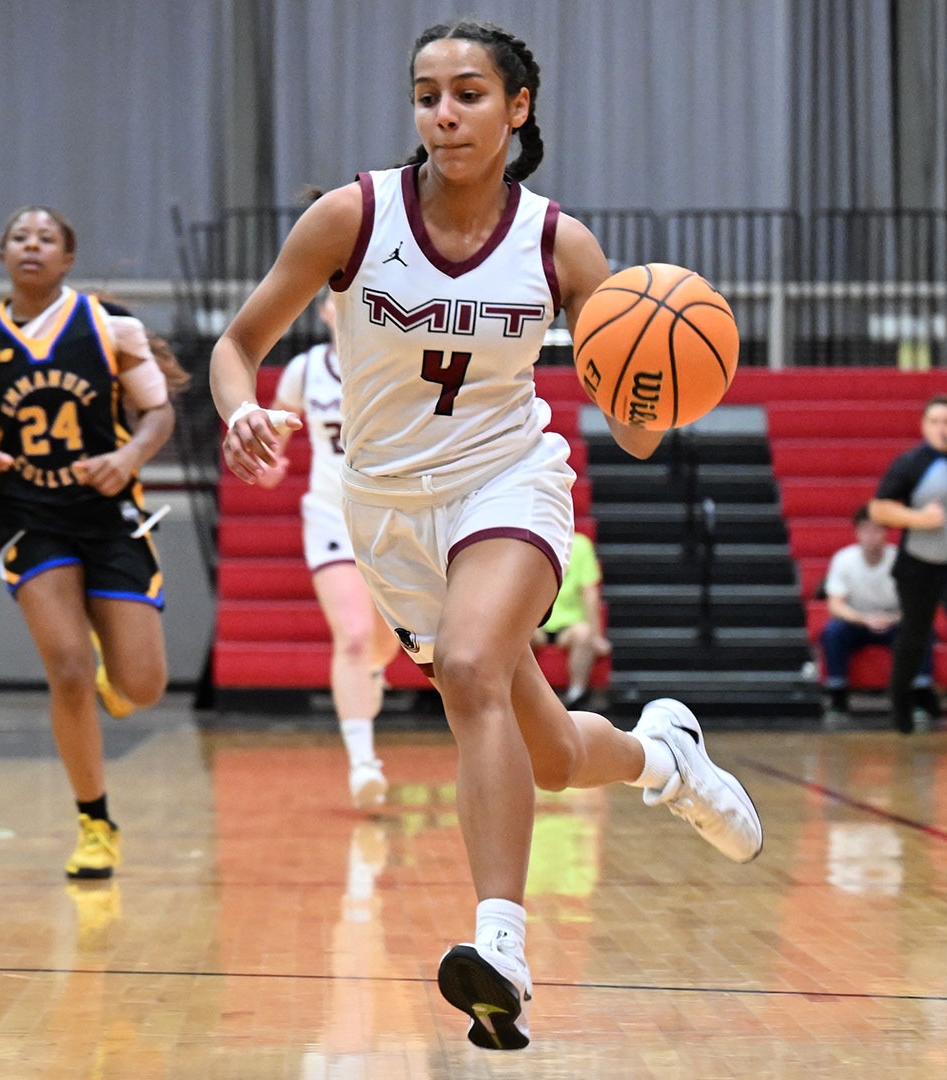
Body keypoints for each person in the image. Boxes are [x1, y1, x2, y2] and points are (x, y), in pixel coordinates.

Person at [208, 18, 762, 1052]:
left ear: (518, 108)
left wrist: (658, 375)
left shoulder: (560, 245)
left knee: (469, 669)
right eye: (428, 95)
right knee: (548, 753)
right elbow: (238, 346)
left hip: (507, 482)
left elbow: (636, 436)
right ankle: (661, 759)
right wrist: (241, 409)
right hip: (386, 508)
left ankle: (500, 948)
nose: (444, 113)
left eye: (468, 93)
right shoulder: (351, 217)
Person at [0, 205, 186, 880]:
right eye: (19, 234)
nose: (32, 243)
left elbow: (158, 412)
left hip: (107, 509)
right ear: (2, 254)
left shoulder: (111, 329)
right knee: (69, 669)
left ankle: (115, 680)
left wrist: (130, 456)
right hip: (28, 512)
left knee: (142, 685)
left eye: (46, 237)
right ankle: (94, 821)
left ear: (67, 258)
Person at [258, 291, 401, 809]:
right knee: (354, 634)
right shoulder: (304, 369)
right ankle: (364, 763)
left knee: (389, 642)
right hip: (329, 513)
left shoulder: (396, 359)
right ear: (324, 311)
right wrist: (270, 458)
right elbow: (278, 419)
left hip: (389, 516)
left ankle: (372, 675)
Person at [868, 394, 947, 745]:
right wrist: (918, 518)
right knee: (915, 635)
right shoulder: (911, 463)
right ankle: (899, 702)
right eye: (935, 422)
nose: (943, 428)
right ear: (924, 426)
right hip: (918, 564)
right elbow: (879, 509)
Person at [817, 507, 934, 727]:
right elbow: (835, 604)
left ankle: (920, 698)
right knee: (832, 632)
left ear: (886, 533)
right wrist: (863, 619)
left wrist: (893, 618)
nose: (871, 536)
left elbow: (918, 605)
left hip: (894, 622)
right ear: (857, 533)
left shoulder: (902, 559)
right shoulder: (844, 559)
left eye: (877, 530)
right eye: (866, 530)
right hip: (858, 622)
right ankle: (838, 699)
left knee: (923, 630)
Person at [530, 531, 610, 711]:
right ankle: (521, 697)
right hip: (536, 623)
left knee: (583, 633)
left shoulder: (580, 545)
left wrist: (597, 636)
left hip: (569, 626)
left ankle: (576, 695)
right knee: (518, 636)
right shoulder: (531, 541)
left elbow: (590, 592)